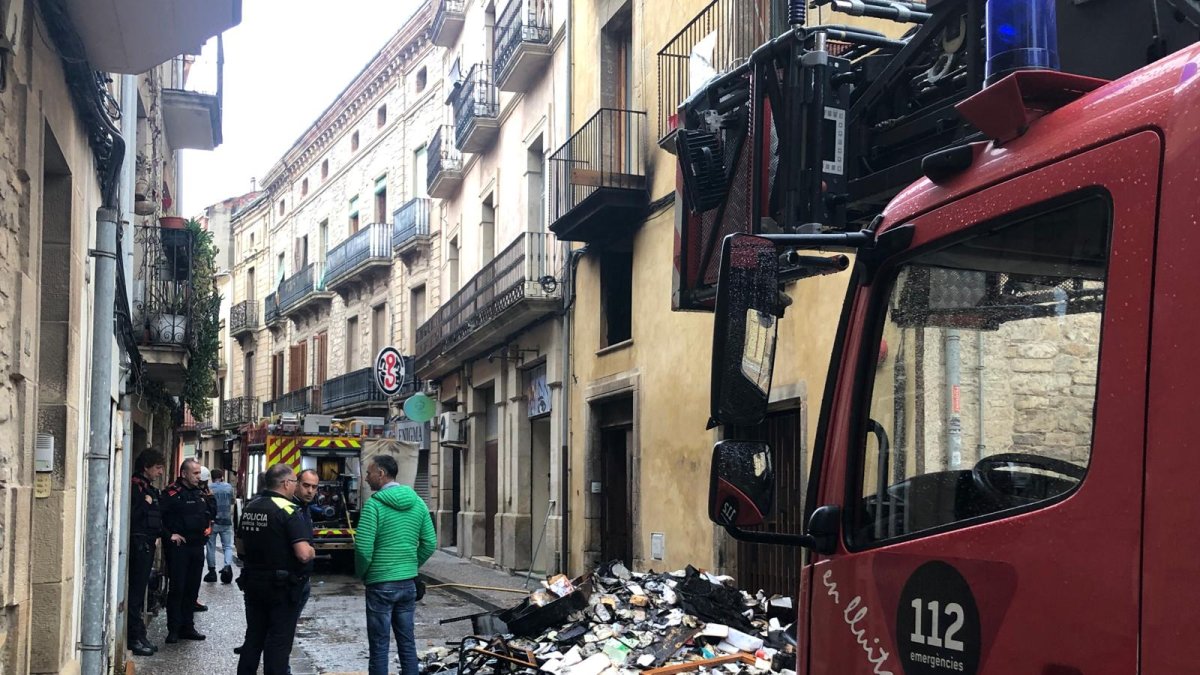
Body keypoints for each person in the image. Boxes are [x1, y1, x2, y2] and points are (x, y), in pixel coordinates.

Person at [355, 454, 436, 675]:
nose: (366, 479)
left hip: (380, 583)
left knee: (380, 646)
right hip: (407, 583)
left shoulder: (374, 506)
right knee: (407, 642)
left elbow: (363, 548)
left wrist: (364, 574)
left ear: (381, 474)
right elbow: (430, 542)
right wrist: (410, 565)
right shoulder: (418, 502)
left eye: (369, 473)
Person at [235, 463, 315, 675]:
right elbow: (303, 553)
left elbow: (240, 546)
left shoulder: (251, 506)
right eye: (295, 483)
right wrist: (313, 552)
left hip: (253, 582)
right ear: (287, 484)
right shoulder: (288, 509)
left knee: (253, 638)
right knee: (278, 644)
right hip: (281, 587)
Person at [160, 458, 210, 643]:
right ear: (184, 474)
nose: (199, 476)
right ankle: (173, 629)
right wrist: (169, 535)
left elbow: (208, 514)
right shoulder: (172, 493)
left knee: (192, 589)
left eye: (199, 473)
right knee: (178, 589)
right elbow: (158, 517)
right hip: (179, 548)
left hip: (197, 546)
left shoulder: (200, 493)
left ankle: (187, 627)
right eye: (195, 473)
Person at [128, 449, 165, 657]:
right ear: (146, 467)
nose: (160, 472)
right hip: (138, 545)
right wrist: (144, 503)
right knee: (134, 594)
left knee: (139, 593)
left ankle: (140, 635)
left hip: (147, 544)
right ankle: (134, 637)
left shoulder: (148, 488)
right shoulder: (136, 488)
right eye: (158, 468)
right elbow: (132, 515)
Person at [205, 468, 236, 584]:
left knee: (210, 547)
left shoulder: (209, 488)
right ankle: (227, 566)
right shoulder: (229, 487)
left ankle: (212, 571)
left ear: (212, 478)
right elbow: (232, 501)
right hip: (226, 520)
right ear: (222, 476)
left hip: (213, 522)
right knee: (227, 546)